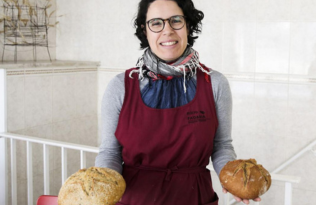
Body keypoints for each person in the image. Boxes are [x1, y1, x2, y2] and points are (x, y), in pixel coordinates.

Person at [95, 0, 261, 204]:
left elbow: (221, 146)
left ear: (188, 25)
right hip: (135, 199)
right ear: (144, 30)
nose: (167, 31)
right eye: (156, 23)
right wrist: (101, 188)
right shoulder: (121, 86)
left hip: (194, 197)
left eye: (176, 21)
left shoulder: (214, 83)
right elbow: (110, 152)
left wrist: (232, 179)